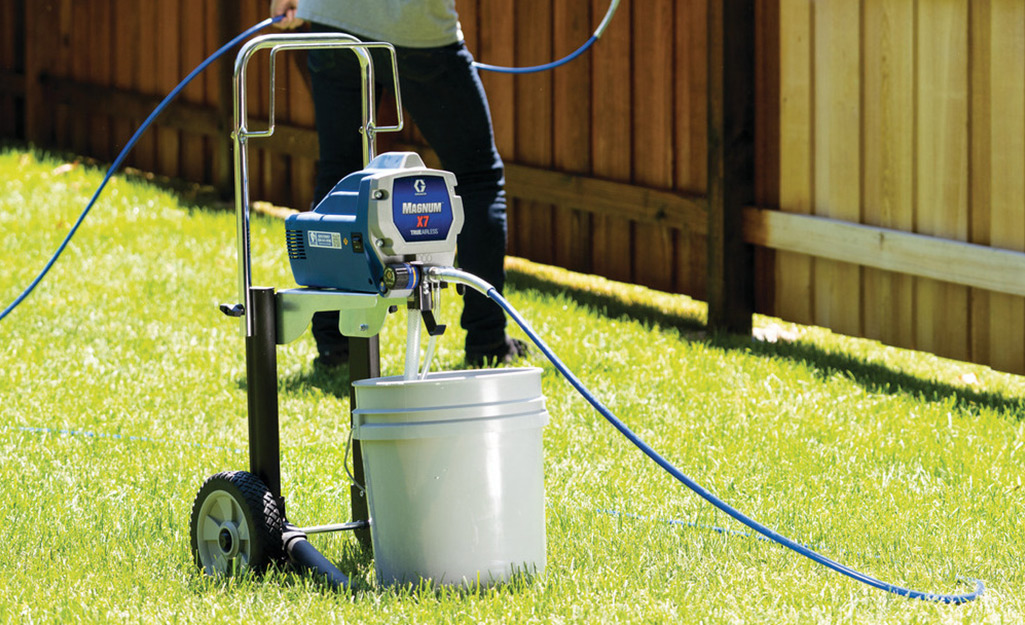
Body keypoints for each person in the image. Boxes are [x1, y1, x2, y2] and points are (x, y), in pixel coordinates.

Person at [271, 0, 527, 369]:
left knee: (340, 172)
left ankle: (335, 346)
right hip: (417, 27)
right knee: (477, 179)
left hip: (334, 16)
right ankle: (486, 341)